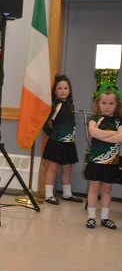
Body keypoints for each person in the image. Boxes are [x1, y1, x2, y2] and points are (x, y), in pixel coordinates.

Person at [84, 84, 122, 230]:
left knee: (107, 189)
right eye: (104, 103)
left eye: (111, 103)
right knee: (94, 188)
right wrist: (114, 134)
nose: (107, 107)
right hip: (96, 160)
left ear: (116, 104)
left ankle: (105, 218)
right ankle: (91, 217)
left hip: (111, 162)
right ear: (98, 103)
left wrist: (102, 135)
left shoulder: (119, 120)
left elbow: (120, 138)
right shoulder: (94, 119)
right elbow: (93, 133)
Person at [42, 74, 83, 204]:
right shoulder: (54, 105)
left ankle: (67, 194)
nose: (63, 90)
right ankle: (48, 195)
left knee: (67, 168)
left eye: (66, 88)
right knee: (53, 167)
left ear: (69, 90)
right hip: (57, 142)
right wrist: (51, 134)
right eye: (60, 88)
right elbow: (44, 122)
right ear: (55, 91)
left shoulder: (70, 105)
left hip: (69, 142)